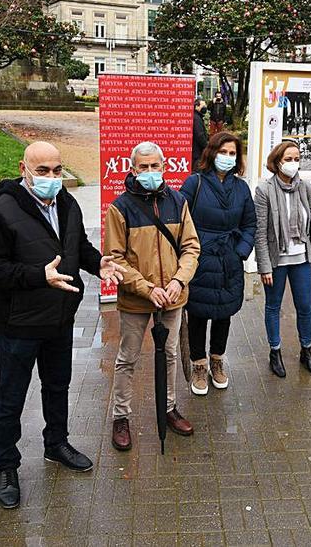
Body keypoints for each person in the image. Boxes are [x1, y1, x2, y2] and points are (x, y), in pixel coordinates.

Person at [0, 141, 125, 510]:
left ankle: (56, 443)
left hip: (59, 318)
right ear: (24, 169)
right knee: (10, 397)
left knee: (58, 386)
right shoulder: (1, 211)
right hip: (19, 324)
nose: (52, 178)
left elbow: (78, 245)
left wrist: (97, 264)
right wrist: (36, 276)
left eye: (57, 170)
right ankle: (7, 466)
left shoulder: (68, 203)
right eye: (43, 171)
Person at [104, 141, 201, 452]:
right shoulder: (120, 207)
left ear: (164, 166)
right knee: (127, 358)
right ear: (133, 169)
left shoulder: (178, 202)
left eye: (154, 166)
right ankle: (121, 417)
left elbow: (191, 248)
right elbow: (115, 257)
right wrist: (147, 287)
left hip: (173, 297)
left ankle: (168, 407)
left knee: (170, 355)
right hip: (136, 299)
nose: (149, 172)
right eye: (142, 167)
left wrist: (178, 280)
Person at [179, 132, 256, 395]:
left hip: (229, 260)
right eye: (223, 152)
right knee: (198, 315)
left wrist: (241, 252)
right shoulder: (195, 183)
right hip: (201, 259)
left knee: (224, 314)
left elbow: (249, 224)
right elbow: (179, 220)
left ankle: (217, 360)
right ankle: (199, 365)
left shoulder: (242, 188)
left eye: (232, 153)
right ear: (211, 153)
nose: (227, 157)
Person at [254, 140, 311, 378]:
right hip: (276, 260)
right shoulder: (264, 190)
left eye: (297, 159)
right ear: (277, 162)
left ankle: (307, 351)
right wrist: (263, 266)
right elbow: (260, 231)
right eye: (288, 159)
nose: (293, 164)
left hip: (302, 258)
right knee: (273, 306)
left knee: (305, 306)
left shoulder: (304, 186)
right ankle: (275, 351)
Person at [191, 99, 209, 171]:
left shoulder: (197, 117)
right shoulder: (196, 118)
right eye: (203, 105)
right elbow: (199, 135)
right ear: (196, 106)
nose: (205, 107)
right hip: (197, 151)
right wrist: (206, 146)